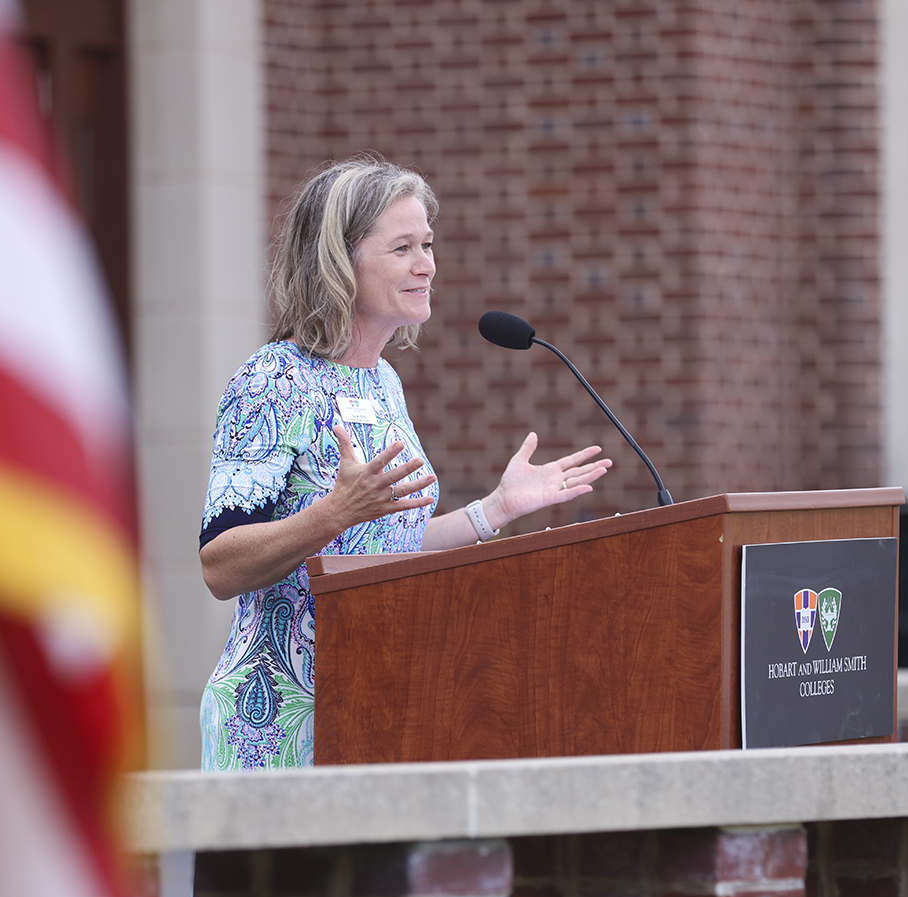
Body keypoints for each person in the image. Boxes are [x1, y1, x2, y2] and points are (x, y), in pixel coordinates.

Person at [197, 157, 612, 770]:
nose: (427, 265)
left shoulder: (384, 383)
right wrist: (333, 513)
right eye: (402, 248)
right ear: (339, 261)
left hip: (375, 710)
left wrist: (494, 511)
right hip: (277, 727)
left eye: (428, 244)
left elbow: (389, 542)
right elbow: (219, 564)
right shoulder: (271, 382)